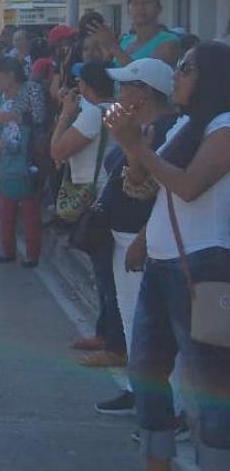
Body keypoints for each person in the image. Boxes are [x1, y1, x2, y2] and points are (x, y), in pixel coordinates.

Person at [106, 41, 230, 471]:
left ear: (210, 78)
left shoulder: (224, 126)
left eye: (186, 69)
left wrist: (137, 149)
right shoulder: (185, 125)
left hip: (203, 267)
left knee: (210, 386)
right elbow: (144, 180)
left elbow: (190, 185)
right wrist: (131, 144)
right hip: (163, 263)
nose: (176, 75)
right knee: (146, 371)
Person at [84, 59, 178, 408]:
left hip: (143, 243)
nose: (120, 93)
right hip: (121, 237)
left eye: (127, 86)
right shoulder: (138, 126)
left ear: (145, 93)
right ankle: (139, 391)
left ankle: (166, 407)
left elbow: (158, 191)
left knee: (149, 325)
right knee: (130, 319)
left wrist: (142, 238)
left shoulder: (166, 130)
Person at [0, 57, 43, 266]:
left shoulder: (32, 90)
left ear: (11, 75)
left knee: (30, 208)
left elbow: (40, 118)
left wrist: (17, 117)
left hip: (28, 155)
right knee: (5, 206)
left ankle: (32, 254)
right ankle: (7, 250)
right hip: (4, 156)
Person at [50, 61, 115, 225]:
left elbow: (57, 151)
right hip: (107, 186)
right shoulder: (118, 109)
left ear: (84, 85)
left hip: (91, 192)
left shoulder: (94, 114)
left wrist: (65, 113)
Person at [89, 0, 183, 67]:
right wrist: (106, 53)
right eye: (135, 3)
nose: (140, 7)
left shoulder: (168, 42)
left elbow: (146, 80)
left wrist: (113, 46)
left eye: (146, 2)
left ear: (159, 8)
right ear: (128, 11)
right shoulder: (126, 42)